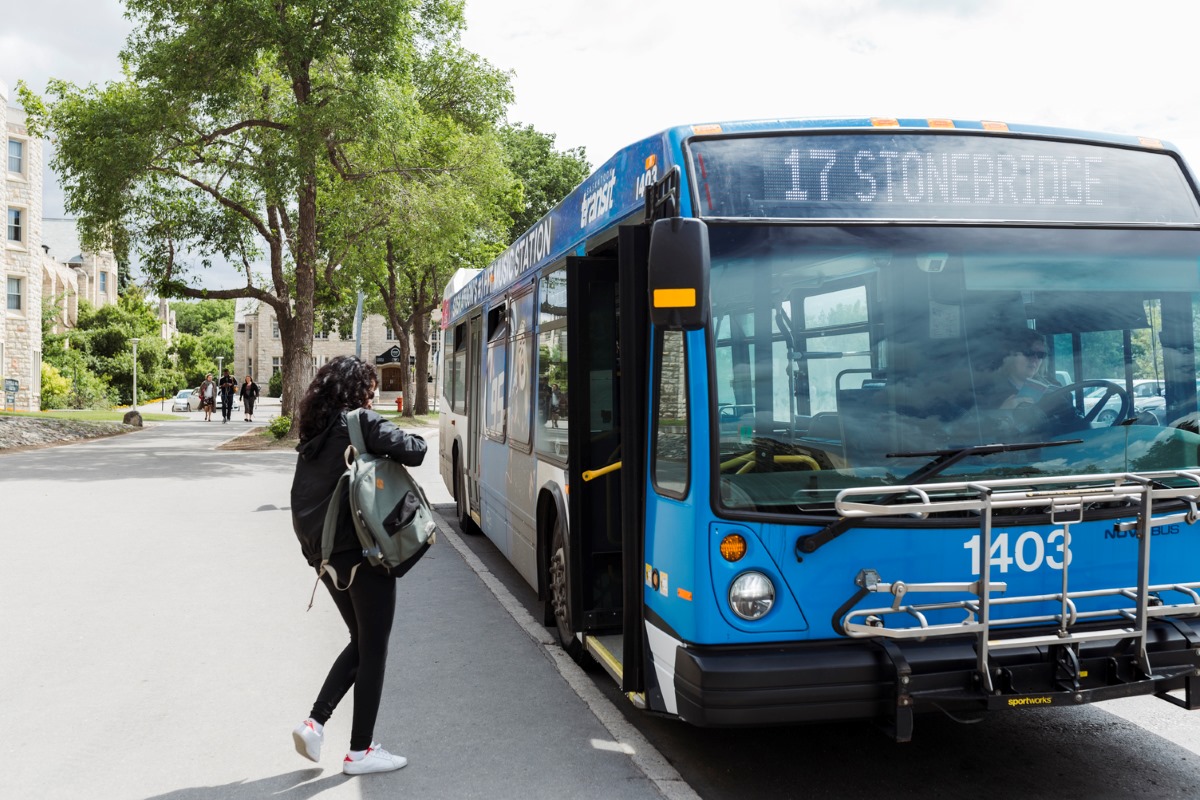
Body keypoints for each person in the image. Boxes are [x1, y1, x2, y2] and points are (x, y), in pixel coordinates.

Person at [289, 356, 426, 776]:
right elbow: (415, 451)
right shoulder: (360, 421)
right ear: (358, 391)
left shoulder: (314, 433)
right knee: (375, 647)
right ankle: (360, 753)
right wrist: (377, 424)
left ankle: (314, 724)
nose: (371, 395)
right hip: (364, 552)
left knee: (361, 639)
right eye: (368, 389)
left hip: (323, 554)